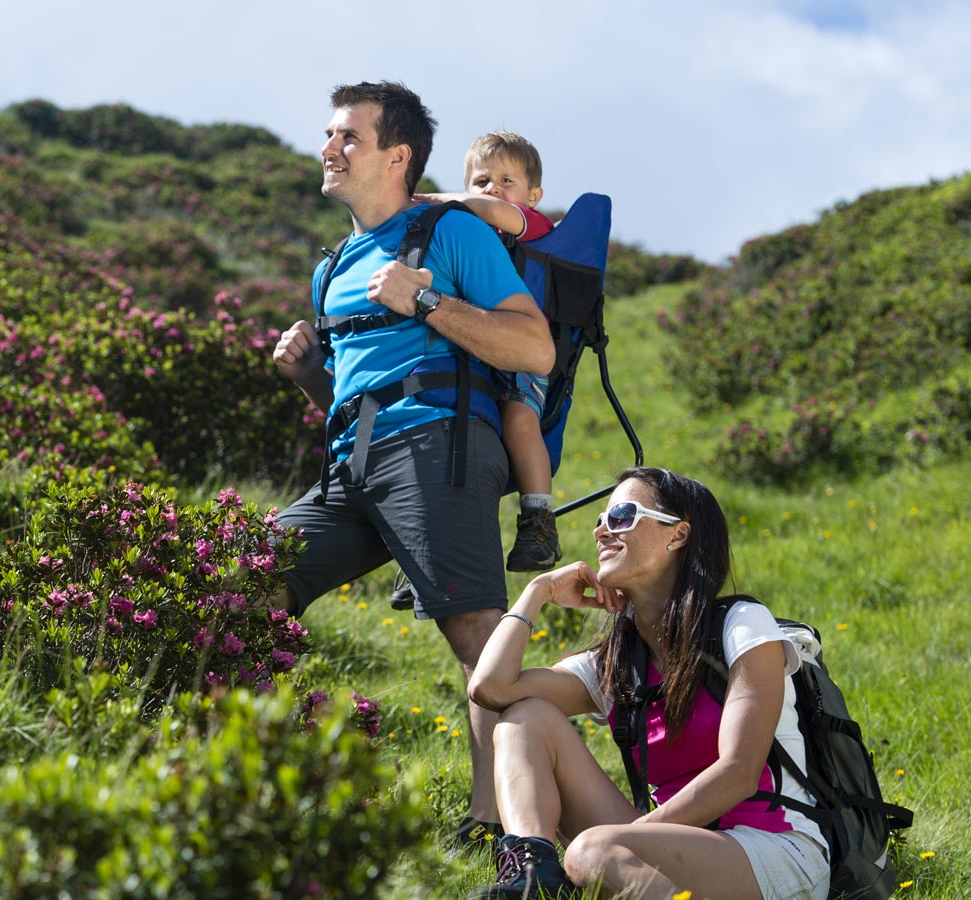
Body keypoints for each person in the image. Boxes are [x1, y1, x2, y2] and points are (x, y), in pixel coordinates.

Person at [271, 82, 554, 850]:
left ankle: (505, 832)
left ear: (397, 155)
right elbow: (351, 396)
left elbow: (534, 348)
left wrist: (425, 303)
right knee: (240, 579)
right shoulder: (330, 270)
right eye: (329, 135)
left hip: (437, 448)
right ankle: (253, 782)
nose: (329, 148)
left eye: (348, 137)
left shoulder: (452, 233)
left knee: (478, 641)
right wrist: (306, 376)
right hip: (348, 467)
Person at [465, 467, 829, 900]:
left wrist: (623, 841)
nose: (601, 530)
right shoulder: (620, 661)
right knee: (522, 718)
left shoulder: (743, 626)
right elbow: (491, 690)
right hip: (673, 842)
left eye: (620, 516)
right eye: (600, 520)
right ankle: (531, 874)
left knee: (592, 854)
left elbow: (739, 774)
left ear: (677, 535)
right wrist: (538, 591)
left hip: (772, 845)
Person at [420, 132, 560, 573]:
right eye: (481, 181)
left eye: (506, 180)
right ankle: (424, 547)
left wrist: (428, 199)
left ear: (533, 195)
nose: (493, 189)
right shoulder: (456, 236)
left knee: (520, 422)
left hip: (522, 354)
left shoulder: (533, 225)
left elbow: (495, 211)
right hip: (470, 356)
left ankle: (538, 519)